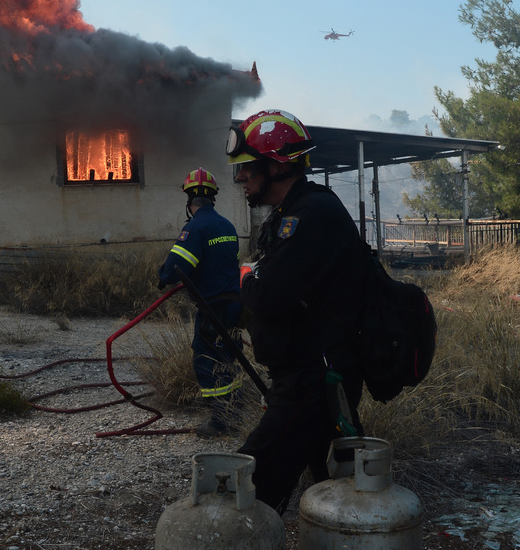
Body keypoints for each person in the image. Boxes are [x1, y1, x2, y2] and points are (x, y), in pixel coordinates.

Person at [225, 109, 368, 514]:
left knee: (248, 488)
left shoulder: (310, 216)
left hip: (314, 379)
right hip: (310, 374)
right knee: (340, 489)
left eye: (247, 168)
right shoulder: (293, 213)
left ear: (276, 165)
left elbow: (266, 296)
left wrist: (246, 275)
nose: (239, 178)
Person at [157, 168, 243, 438]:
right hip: (234, 306)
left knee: (207, 361)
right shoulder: (227, 226)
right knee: (230, 357)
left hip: (213, 309)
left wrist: (162, 276)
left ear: (189, 199)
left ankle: (220, 422)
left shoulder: (195, 228)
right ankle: (235, 411)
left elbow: (174, 269)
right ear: (212, 198)